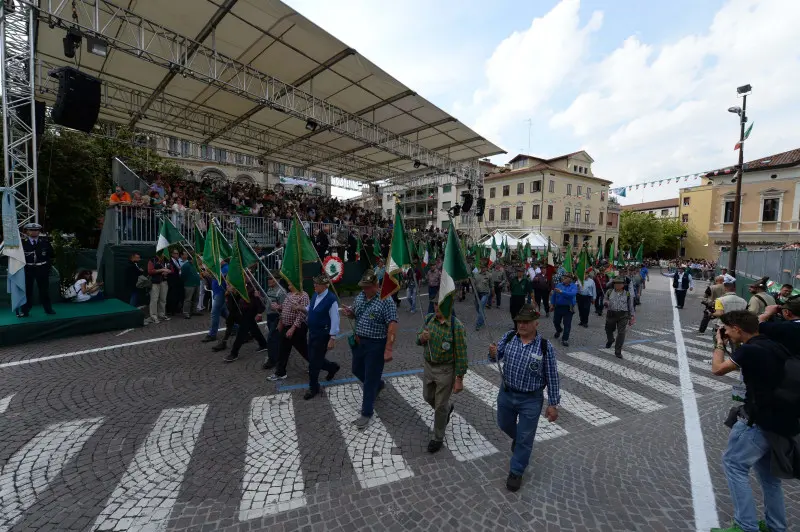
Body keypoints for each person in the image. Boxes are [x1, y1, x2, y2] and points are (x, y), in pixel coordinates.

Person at [710, 310, 799, 532]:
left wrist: (719, 343)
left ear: (737, 329)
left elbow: (717, 369)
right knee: (769, 478)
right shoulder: (773, 344)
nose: (727, 333)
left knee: (734, 465)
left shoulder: (749, 351)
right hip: (779, 421)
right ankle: (776, 527)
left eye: (728, 329)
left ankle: (745, 525)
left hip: (757, 421)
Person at [488, 305, 560, 492]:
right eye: (519, 321)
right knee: (504, 424)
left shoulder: (545, 347)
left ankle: (516, 470)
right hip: (507, 392)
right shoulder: (510, 337)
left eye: (526, 322)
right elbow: (495, 357)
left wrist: (553, 404)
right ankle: (518, 440)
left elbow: (552, 375)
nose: (522, 324)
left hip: (531, 399)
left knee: (526, 437)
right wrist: (493, 353)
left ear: (536, 323)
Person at [341, 271, 398, 430]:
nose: (364, 290)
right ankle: (378, 385)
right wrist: (350, 313)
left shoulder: (386, 301)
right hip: (359, 342)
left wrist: (388, 349)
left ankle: (366, 412)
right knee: (356, 369)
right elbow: (354, 313)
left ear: (376, 286)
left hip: (376, 345)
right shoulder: (360, 297)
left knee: (369, 378)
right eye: (363, 287)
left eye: (367, 287)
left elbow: (392, 325)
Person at [417, 300, 467, 453]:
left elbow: (461, 354)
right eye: (435, 304)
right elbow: (418, 340)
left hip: (446, 370)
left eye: (440, 304)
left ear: (449, 306)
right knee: (427, 396)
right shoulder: (429, 319)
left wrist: (459, 379)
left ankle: (437, 437)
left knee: (439, 406)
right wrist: (422, 338)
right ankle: (448, 408)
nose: (436, 307)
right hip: (429, 366)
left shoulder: (456, 326)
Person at [297, 275, 341, 400]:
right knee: (314, 358)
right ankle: (332, 367)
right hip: (313, 333)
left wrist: (332, 338)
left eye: (317, 284)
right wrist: (301, 308)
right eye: (314, 283)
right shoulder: (316, 294)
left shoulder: (331, 299)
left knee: (314, 363)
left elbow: (335, 319)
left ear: (325, 285)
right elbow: (311, 308)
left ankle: (313, 387)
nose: (314, 286)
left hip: (323, 335)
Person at [268, 282, 310, 381]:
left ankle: (321, 364)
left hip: (297, 327)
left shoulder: (303, 295)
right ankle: (280, 372)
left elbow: (302, 314)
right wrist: (278, 308)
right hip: (287, 326)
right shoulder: (289, 294)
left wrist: (293, 328)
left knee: (303, 349)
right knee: (283, 349)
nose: (288, 285)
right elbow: (285, 308)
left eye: (291, 283)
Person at [222, 280, 268, 363]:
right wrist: (230, 294)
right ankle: (263, 344)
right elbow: (233, 305)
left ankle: (234, 353)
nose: (228, 286)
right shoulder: (238, 287)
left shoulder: (251, 286)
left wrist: (259, 313)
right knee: (253, 327)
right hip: (243, 311)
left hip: (251, 310)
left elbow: (258, 300)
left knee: (242, 332)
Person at [19, 223, 55, 317]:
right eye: (31, 230)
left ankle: (48, 309)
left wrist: (47, 266)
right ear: (27, 231)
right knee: (27, 291)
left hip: (42, 269)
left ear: (39, 231)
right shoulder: (22, 243)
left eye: (36, 230)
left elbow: (51, 255)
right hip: (28, 269)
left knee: (44, 290)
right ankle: (25, 310)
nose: (34, 232)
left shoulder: (45, 242)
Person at [604, 278, 635, 358]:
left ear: (623, 285)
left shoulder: (627, 294)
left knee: (621, 333)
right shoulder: (609, 292)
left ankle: (618, 350)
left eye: (619, 283)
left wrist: (632, 316)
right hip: (611, 314)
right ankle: (610, 340)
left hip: (623, 315)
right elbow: (605, 299)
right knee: (608, 329)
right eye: (615, 283)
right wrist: (606, 303)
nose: (617, 285)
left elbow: (630, 306)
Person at [261, 276, 286, 371]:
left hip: (277, 317)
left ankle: (272, 360)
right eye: (268, 279)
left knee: (271, 338)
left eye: (271, 278)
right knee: (275, 338)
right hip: (269, 317)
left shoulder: (281, 292)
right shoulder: (269, 289)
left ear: (277, 280)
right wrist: (260, 297)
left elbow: (285, 308)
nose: (269, 281)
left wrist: (280, 320)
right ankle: (278, 355)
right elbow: (266, 303)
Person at [549, 272, 577, 347]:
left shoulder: (573, 286)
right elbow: (554, 296)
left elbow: (572, 294)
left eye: (565, 277)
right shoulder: (559, 285)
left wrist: (561, 292)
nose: (563, 278)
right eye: (563, 277)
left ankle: (565, 339)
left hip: (568, 308)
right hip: (558, 307)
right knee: (556, 321)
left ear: (570, 279)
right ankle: (559, 330)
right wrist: (552, 304)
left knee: (567, 324)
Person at [145, 254, 171, 324]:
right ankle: (153, 316)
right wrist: (162, 270)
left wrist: (167, 271)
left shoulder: (166, 261)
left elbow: (171, 269)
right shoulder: (152, 260)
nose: (163, 255)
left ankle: (161, 314)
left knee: (163, 299)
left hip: (164, 281)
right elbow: (150, 271)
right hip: (155, 283)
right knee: (154, 299)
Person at [180, 251, 201, 319]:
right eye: (197, 258)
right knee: (188, 299)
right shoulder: (186, 266)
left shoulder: (195, 265)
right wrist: (186, 282)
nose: (198, 260)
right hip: (189, 285)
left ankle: (194, 310)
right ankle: (186, 313)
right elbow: (183, 276)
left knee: (196, 298)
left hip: (196, 284)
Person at [472, 261, 492, 331]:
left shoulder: (489, 275)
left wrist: (493, 294)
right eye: (482, 267)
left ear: (486, 268)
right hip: (477, 293)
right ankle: (482, 317)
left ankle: (478, 324)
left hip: (485, 293)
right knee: (477, 308)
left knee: (480, 308)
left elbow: (491, 285)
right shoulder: (476, 274)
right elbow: (473, 283)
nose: (483, 269)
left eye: (484, 267)